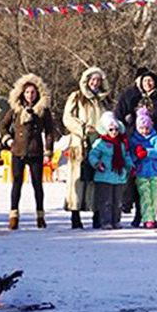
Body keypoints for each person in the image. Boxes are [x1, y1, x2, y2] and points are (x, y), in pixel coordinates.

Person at [115, 69, 157, 223]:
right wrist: (127, 123)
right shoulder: (132, 96)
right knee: (136, 179)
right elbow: (120, 113)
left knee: (154, 181)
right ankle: (134, 208)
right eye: (144, 80)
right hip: (135, 139)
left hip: (155, 138)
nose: (147, 83)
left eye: (150, 80)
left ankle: (150, 212)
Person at [4, 72, 56, 231]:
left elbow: (49, 131)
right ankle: (13, 216)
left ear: (38, 93)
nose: (30, 95)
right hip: (18, 151)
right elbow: (3, 126)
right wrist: (8, 139)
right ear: (22, 93)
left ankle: (40, 216)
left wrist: (48, 151)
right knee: (17, 184)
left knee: (37, 185)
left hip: (35, 151)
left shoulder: (42, 110)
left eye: (33, 92)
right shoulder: (15, 110)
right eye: (27, 92)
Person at [62, 67, 112, 230]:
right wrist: (83, 129)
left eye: (98, 80)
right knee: (77, 179)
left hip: (99, 144)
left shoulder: (104, 99)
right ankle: (75, 215)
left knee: (97, 179)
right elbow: (67, 118)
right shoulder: (77, 97)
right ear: (86, 80)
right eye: (92, 80)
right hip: (80, 143)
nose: (95, 83)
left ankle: (96, 213)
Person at [87, 114, 132, 230]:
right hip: (104, 176)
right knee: (105, 201)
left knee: (117, 201)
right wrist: (97, 163)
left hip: (118, 176)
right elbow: (93, 155)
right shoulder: (100, 143)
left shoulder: (121, 144)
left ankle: (116, 220)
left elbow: (125, 156)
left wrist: (130, 167)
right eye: (111, 130)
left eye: (116, 129)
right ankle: (105, 221)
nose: (114, 132)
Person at [129, 108, 157, 229]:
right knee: (145, 196)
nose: (144, 131)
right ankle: (147, 219)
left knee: (155, 196)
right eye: (141, 128)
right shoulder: (134, 140)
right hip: (141, 172)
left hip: (155, 172)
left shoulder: (155, 138)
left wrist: (147, 152)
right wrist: (136, 155)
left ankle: (153, 217)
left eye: (146, 128)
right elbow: (130, 155)